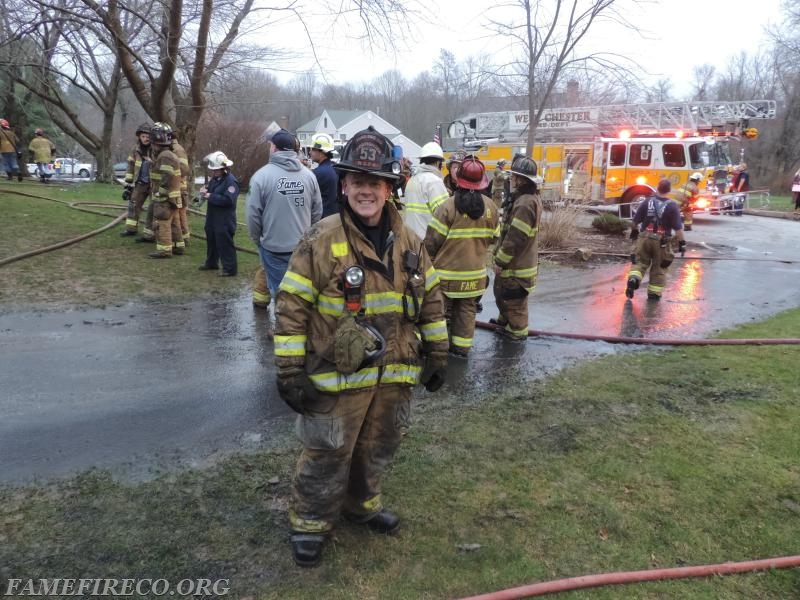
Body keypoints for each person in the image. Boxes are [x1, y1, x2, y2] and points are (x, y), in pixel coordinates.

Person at [273, 125, 449, 568]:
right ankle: (310, 523)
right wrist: (291, 371)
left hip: (394, 374)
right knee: (328, 450)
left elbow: (429, 297)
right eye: (358, 182)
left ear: (390, 188)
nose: (366, 191)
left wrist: (440, 352)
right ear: (345, 184)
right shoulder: (321, 239)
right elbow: (292, 306)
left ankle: (361, 506)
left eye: (376, 183)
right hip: (338, 376)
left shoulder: (409, 239)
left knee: (378, 444)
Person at [424, 156, 499, 357]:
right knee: (467, 312)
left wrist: (427, 263)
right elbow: (494, 237)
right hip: (475, 276)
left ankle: (437, 349)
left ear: (459, 179)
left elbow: (432, 241)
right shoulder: (491, 208)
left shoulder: (448, 207)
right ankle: (461, 349)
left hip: (446, 276)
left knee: (438, 313)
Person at [245, 128, 322, 300]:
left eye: (270, 145)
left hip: (274, 247)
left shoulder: (261, 177)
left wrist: (259, 240)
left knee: (280, 295)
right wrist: (307, 235)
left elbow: (252, 216)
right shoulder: (309, 176)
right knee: (301, 293)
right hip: (302, 247)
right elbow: (317, 211)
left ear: (274, 148)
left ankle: (285, 325)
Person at [490, 154, 543, 341]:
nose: (511, 179)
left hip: (517, 266)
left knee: (514, 301)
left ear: (521, 180)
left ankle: (516, 334)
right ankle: (504, 321)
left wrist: (500, 260)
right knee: (504, 293)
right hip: (518, 264)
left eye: (514, 177)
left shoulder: (525, 202)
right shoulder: (526, 198)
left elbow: (514, 237)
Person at [625, 179, 686, 301]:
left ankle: (634, 279)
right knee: (659, 268)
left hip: (644, 238)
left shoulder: (647, 201)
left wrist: (634, 231)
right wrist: (682, 244)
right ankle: (653, 294)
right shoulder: (672, 206)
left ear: (657, 188)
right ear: (669, 191)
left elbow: (635, 222)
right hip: (661, 242)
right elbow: (678, 229)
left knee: (640, 262)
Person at [197, 151, 239, 276]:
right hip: (212, 217)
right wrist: (204, 192)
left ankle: (230, 269)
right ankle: (211, 263)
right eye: (213, 170)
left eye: (216, 170)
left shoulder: (231, 182)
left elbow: (228, 200)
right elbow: (210, 191)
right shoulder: (215, 179)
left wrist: (211, 196)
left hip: (225, 219)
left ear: (224, 169)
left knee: (224, 243)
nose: (214, 172)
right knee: (212, 240)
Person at [147, 122, 184, 259]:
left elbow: (166, 176)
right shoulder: (168, 154)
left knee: (162, 223)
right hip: (172, 197)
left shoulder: (165, 156)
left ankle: (164, 250)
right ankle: (178, 247)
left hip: (164, 198)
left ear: (156, 141)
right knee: (174, 223)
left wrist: (160, 191)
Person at [402, 141, 449, 239]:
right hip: (427, 242)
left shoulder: (412, 180)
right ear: (437, 163)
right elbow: (445, 215)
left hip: (410, 239)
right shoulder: (434, 181)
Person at [120, 123, 154, 237]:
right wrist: (128, 183)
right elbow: (130, 165)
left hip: (153, 184)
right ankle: (131, 229)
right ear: (139, 136)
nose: (145, 139)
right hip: (140, 183)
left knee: (153, 208)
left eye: (148, 136)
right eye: (143, 136)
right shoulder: (135, 150)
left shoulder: (155, 149)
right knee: (133, 205)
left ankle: (150, 232)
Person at [309, 132, 339, 218]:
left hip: (323, 218)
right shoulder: (334, 167)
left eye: (313, 149)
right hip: (334, 215)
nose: (310, 152)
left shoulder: (319, 173)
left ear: (322, 152)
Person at [171, 130, 192, 247]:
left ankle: (184, 239)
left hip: (179, 188)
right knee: (179, 214)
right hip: (178, 187)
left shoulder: (177, 150)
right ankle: (183, 238)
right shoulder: (174, 148)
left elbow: (184, 169)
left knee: (180, 214)